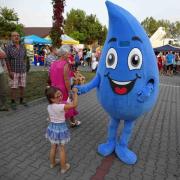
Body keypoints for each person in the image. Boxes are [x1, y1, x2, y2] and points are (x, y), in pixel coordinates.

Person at [45, 86, 78, 174]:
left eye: (61, 94)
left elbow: (50, 117)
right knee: (61, 148)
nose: (60, 97)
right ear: (52, 99)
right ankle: (64, 167)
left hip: (52, 128)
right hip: (60, 129)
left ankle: (52, 163)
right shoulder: (61, 106)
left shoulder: (49, 106)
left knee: (53, 146)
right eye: (57, 96)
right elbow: (74, 105)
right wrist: (75, 94)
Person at [49, 45, 81, 127]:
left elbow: (50, 77)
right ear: (64, 54)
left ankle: (57, 120)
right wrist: (70, 91)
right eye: (68, 53)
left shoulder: (53, 63)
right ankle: (73, 122)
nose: (70, 54)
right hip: (63, 88)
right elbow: (66, 80)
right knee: (68, 104)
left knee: (57, 104)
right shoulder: (65, 64)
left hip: (54, 87)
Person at [4, 31, 29, 110]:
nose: (16, 37)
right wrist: (9, 71)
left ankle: (22, 100)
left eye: (18, 35)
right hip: (13, 71)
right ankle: (13, 102)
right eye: (14, 36)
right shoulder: (8, 47)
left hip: (22, 70)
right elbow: (7, 60)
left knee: (22, 86)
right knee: (13, 87)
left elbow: (25, 57)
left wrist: (25, 66)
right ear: (11, 37)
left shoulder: (22, 46)